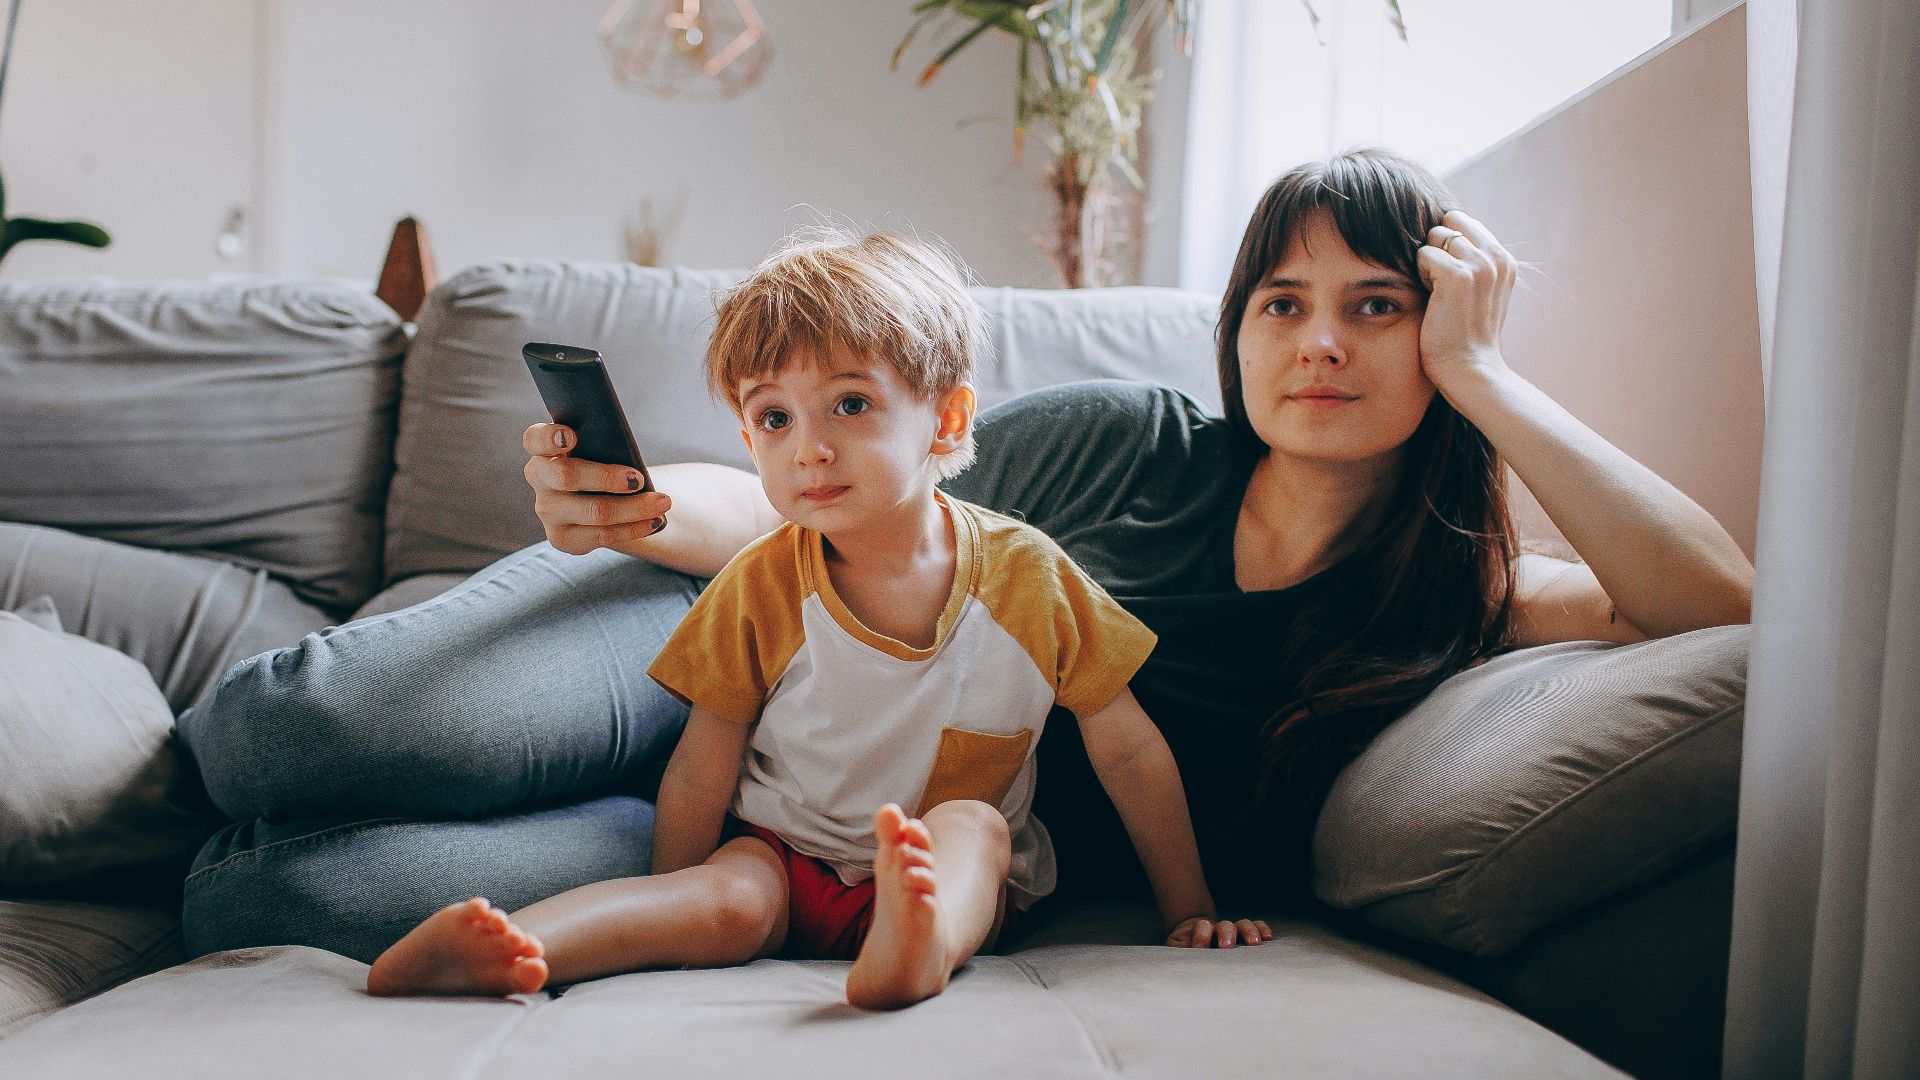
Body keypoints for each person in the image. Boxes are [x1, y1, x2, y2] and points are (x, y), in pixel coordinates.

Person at [178, 148, 1752, 956]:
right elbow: (830, 491)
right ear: (1237, 330)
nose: (1319, 343)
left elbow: (1722, 611)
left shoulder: (1455, 607)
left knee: (275, 901)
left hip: (827, 850)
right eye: (1284, 301)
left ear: (1437, 333)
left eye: (1377, 306)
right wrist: (656, 508)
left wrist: (1489, 377)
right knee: (290, 728)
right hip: (728, 626)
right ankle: (152, 780)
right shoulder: (1132, 441)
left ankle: (175, 872)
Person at [363, 231, 1270, 1008]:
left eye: (850, 404)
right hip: (786, 857)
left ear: (947, 418)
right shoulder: (762, 584)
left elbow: (1130, 751)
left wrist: (1187, 906)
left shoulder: (1030, 577)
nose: (812, 449)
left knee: (975, 831)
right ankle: (510, 946)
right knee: (727, 899)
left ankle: (920, 945)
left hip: (946, 872)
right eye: (773, 419)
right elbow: (699, 769)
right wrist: (675, 886)